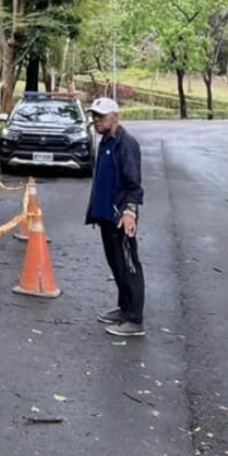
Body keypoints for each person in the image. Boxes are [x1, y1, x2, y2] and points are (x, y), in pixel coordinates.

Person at [85, 98, 146, 337]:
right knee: (116, 265)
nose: (96, 120)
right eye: (94, 116)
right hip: (106, 217)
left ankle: (135, 319)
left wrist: (130, 211)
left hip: (122, 218)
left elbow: (134, 184)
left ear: (115, 117)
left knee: (129, 266)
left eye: (101, 116)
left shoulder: (125, 144)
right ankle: (124, 308)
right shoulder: (105, 141)